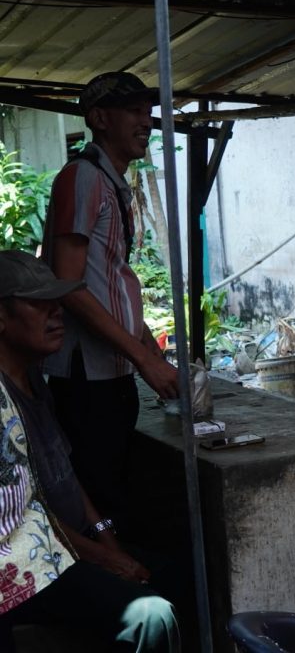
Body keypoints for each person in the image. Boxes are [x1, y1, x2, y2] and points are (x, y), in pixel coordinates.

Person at [0, 249, 179, 651]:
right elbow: (27, 512)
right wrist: (100, 557)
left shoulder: (33, 379)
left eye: (56, 301)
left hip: (72, 542)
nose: (56, 312)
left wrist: (106, 539)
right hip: (34, 557)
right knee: (150, 614)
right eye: (37, 303)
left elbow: (65, 470)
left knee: (177, 574)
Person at [42, 72, 179, 532]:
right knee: (99, 495)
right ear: (99, 118)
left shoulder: (109, 181)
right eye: (134, 111)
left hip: (109, 374)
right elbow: (68, 283)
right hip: (86, 377)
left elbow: (108, 279)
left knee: (118, 487)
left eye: (148, 111)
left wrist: (145, 342)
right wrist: (144, 358)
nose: (147, 121)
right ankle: (111, 583)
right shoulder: (83, 179)